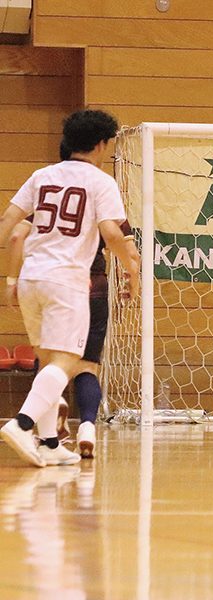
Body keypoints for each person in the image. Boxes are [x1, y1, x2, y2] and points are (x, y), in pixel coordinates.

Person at [0, 109, 140, 467]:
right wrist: (131, 268)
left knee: (47, 360)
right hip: (66, 281)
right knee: (68, 361)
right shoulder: (101, 181)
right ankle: (22, 424)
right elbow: (111, 233)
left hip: (31, 277)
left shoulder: (42, 175)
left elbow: (10, 222)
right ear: (101, 144)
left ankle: (49, 443)